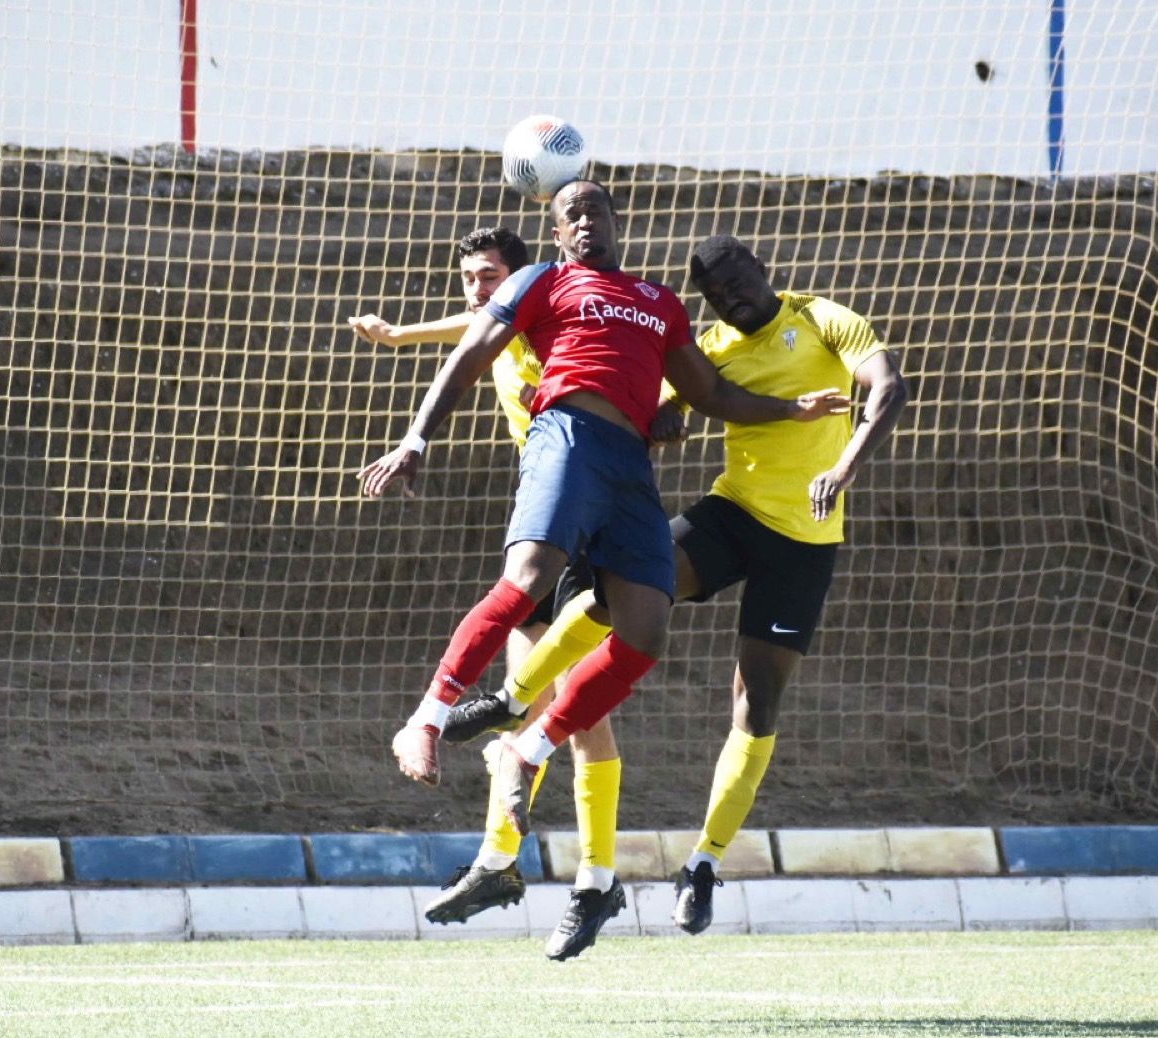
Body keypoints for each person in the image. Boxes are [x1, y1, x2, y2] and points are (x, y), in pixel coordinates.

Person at [359, 181, 848, 959]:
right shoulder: (543, 283)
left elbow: (710, 390)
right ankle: (427, 722)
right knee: (526, 580)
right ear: (556, 234)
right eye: (571, 215)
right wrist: (417, 436)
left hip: (630, 470)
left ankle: (529, 761)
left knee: (645, 632)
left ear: (619, 224)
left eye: (596, 211)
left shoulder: (659, 303)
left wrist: (789, 413)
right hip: (566, 441)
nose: (586, 223)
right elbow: (470, 348)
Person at [446, 235, 908, 934]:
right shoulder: (712, 343)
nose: (730, 295)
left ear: (763, 268)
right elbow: (680, 398)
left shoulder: (819, 318)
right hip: (733, 514)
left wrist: (844, 466)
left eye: (737, 279)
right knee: (614, 598)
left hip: (805, 543)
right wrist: (668, 419)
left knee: (757, 703)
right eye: (716, 292)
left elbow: (888, 384)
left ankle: (702, 864)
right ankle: (511, 703)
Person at [347, 228, 628, 929]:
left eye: (491, 276)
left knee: (583, 714)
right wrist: (400, 336)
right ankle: (497, 865)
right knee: (524, 706)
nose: (479, 290)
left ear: (523, 275)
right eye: (470, 277)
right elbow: (472, 319)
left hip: (586, 513)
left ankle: (597, 878)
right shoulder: (496, 312)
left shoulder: (552, 317)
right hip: (544, 511)